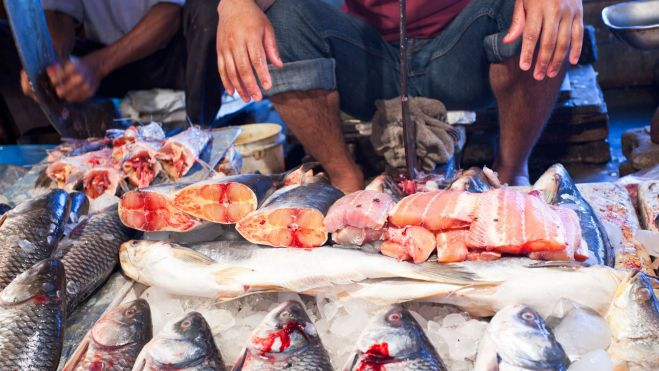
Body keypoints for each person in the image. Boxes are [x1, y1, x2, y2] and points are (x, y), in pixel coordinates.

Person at [216, 0, 584, 192]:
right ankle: (345, 178)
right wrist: (234, 4)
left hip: (460, 52)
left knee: (531, 9)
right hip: (369, 59)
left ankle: (512, 171)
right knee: (282, 15)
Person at [0, 0, 222, 140]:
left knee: (209, 8)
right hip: (107, 65)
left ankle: (198, 133)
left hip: (172, 60)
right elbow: (58, 13)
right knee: (5, 38)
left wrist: (98, 65)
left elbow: (170, 11)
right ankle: (59, 137)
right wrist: (50, 67)